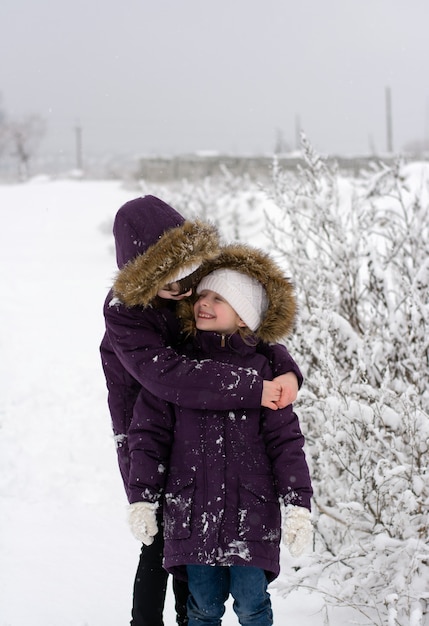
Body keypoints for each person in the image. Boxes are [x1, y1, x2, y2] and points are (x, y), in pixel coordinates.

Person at [100, 196, 304, 626]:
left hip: (205, 418)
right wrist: (254, 387)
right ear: (143, 279)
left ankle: (188, 617)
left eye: (191, 279)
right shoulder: (125, 315)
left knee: (193, 549)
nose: (188, 295)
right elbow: (169, 376)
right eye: (174, 288)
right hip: (147, 421)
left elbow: (248, 327)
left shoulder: (193, 281)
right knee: (162, 540)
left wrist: (284, 369)